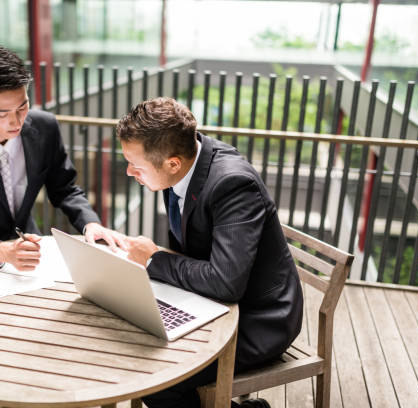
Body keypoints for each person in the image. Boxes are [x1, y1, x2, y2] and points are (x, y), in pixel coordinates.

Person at [118, 97, 303, 408]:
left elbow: (225, 282)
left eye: (136, 166)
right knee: (133, 343)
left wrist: (153, 259)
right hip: (210, 303)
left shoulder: (233, 184)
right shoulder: (183, 157)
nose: (128, 172)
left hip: (260, 319)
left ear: (172, 163)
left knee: (157, 381)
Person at [0, 44, 125, 275]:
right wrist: (0, 250)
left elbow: (65, 188)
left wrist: (90, 223)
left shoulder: (44, 127)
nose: (17, 122)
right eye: (2, 113)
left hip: (29, 257)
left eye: (23, 106)